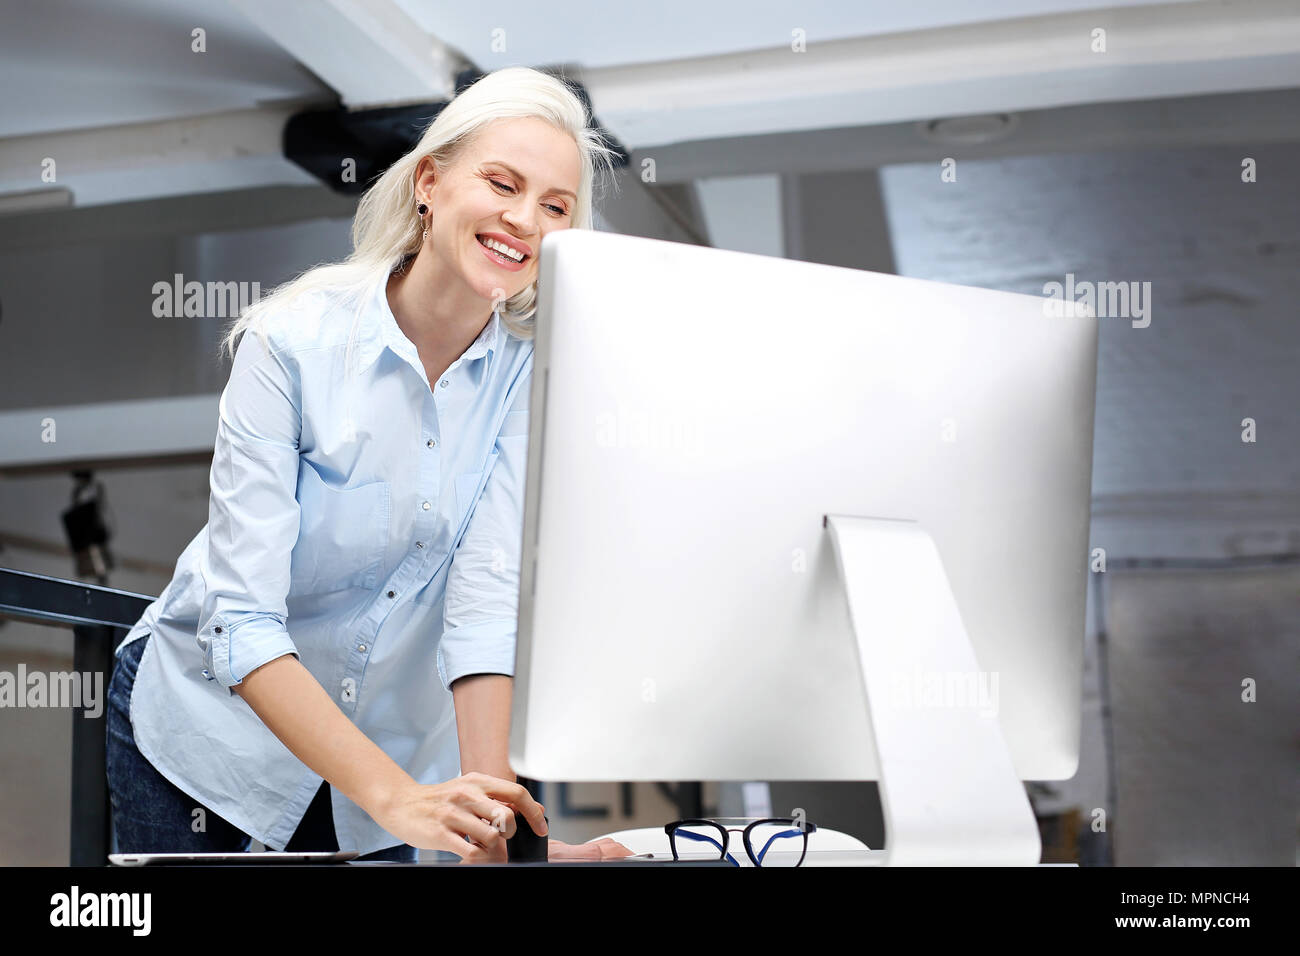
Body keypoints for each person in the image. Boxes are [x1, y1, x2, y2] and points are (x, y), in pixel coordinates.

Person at [106, 67, 631, 863]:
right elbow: (240, 620)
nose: (524, 219)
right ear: (430, 182)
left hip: (391, 757)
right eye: (502, 182)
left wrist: (494, 835)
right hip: (214, 741)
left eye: (555, 206)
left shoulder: (534, 372)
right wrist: (398, 798)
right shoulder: (289, 343)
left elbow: (484, 607)